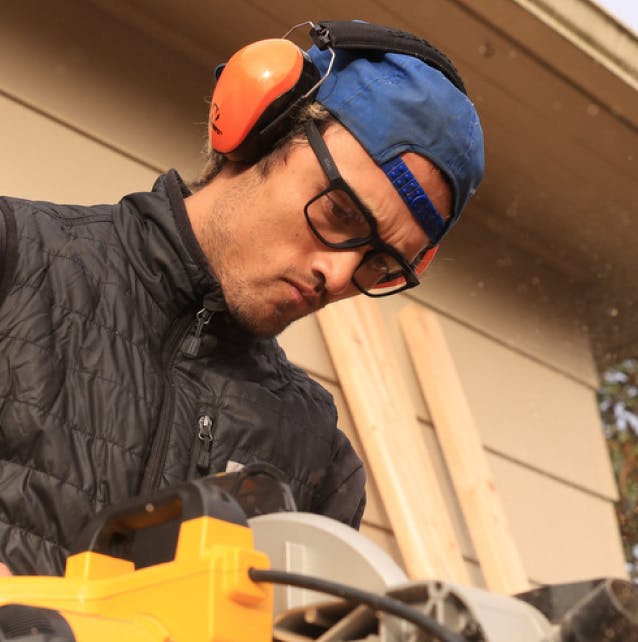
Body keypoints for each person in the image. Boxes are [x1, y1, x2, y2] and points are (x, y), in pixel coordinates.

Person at [0, 20, 484, 575]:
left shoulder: (319, 457)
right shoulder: (14, 259)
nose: (339, 272)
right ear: (260, 131)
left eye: (379, 263)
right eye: (340, 212)